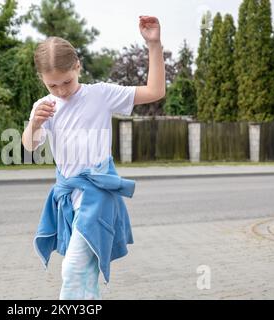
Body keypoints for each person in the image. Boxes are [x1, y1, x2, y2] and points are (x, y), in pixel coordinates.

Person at [22, 16, 166, 300]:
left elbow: (155, 91)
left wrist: (154, 45)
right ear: (42, 79)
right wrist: (34, 125)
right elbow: (29, 146)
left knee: (73, 268)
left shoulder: (101, 95)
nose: (61, 90)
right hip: (67, 197)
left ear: (77, 66)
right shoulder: (44, 106)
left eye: (67, 81)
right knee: (85, 274)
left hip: (97, 193)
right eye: (53, 85)